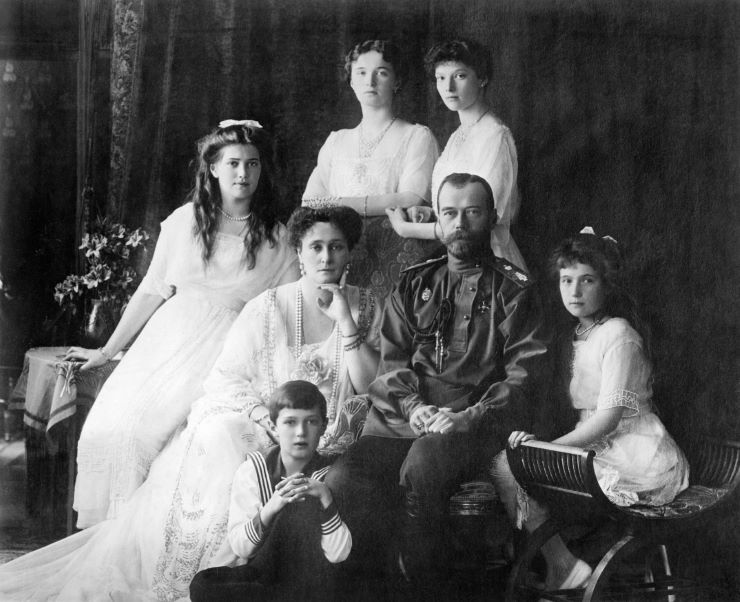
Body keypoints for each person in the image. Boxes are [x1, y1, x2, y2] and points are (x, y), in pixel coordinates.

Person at [0, 205, 380, 601]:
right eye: (315, 246)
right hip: (267, 422)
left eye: (336, 247)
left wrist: (346, 322)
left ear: (349, 252)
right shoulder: (266, 307)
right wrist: (259, 416)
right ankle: (223, 570)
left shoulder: (366, 305)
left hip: (334, 432)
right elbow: (224, 377)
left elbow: (371, 383)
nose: (326, 257)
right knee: (222, 436)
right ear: (298, 253)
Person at [66, 119, 299, 529]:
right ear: (212, 168)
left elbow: (286, 312)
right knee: (111, 429)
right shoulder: (184, 222)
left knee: (161, 442)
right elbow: (151, 290)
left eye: (252, 164)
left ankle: (143, 540)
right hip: (167, 340)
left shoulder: (277, 240)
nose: (243, 174)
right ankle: (109, 535)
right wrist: (106, 351)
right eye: (232, 164)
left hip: (225, 350)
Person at [325, 172, 549, 595]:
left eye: (472, 212)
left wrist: (470, 416)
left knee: (424, 464)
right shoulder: (413, 283)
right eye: (450, 213)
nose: (460, 223)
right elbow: (390, 365)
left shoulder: (515, 291)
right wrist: (415, 408)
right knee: (343, 481)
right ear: (439, 221)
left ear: (492, 217)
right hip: (399, 421)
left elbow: (525, 377)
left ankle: (424, 590)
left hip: (472, 427)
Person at [491, 227, 690, 592]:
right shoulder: (575, 334)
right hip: (594, 443)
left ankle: (564, 565)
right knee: (508, 464)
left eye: (587, 280)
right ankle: (562, 563)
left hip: (633, 449)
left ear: (607, 284)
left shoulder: (618, 334)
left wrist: (548, 449)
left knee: (512, 465)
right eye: (566, 281)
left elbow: (608, 418)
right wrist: (535, 440)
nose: (575, 291)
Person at [302, 39, 440, 301]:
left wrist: (338, 203)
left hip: (393, 259)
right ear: (351, 81)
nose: (370, 81)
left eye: (382, 72)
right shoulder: (336, 140)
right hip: (338, 259)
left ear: (397, 81)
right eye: (362, 73)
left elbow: (411, 198)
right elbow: (310, 202)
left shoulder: (417, 136)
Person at [189, 380, 352, 602]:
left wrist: (325, 497)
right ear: (274, 427)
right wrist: (273, 505)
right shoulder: (254, 470)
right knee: (203, 584)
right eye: (290, 423)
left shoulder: (333, 472)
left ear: (324, 426)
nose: (300, 433)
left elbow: (339, 555)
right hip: (265, 576)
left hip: (313, 579)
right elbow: (241, 548)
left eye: (311, 422)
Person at [386, 38, 526, 270]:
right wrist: (430, 212)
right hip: (454, 256)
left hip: (485, 260)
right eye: (441, 78)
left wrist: (406, 229)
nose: (448, 87)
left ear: (482, 78)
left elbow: (475, 222)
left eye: (460, 76)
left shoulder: (494, 136)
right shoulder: (458, 136)